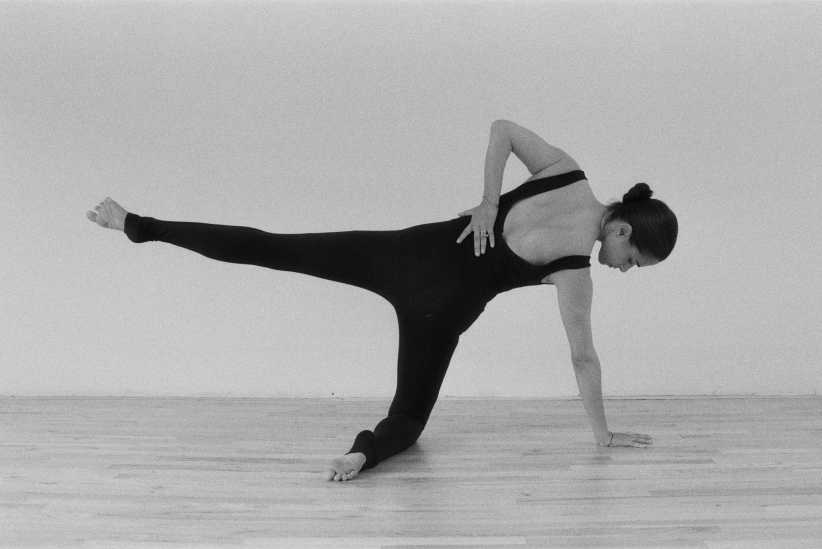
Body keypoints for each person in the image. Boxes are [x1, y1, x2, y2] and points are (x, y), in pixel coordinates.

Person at [86, 119, 678, 482]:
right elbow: (583, 360)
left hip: (403, 255)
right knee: (407, 422)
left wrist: (489, 203)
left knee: (274, 248)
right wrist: (603, 435)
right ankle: (361, 456)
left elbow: (501, 126)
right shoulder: (576, 269)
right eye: (634, 262)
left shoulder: (565, 171)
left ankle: (140, 225)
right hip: (440, 314)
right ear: (624, 230)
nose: (624, 269)